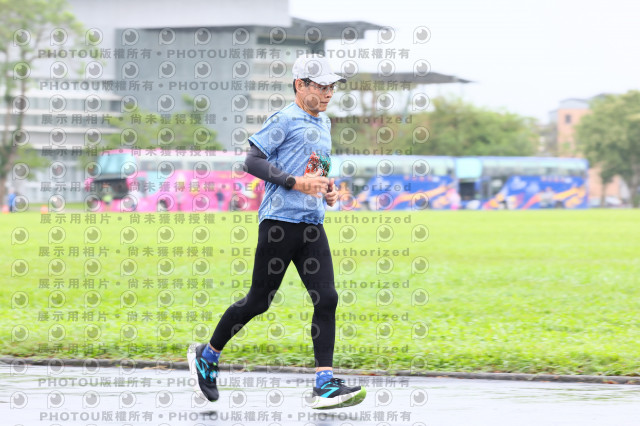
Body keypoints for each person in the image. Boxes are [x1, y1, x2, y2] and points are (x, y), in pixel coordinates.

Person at [188, 53, 366, 409]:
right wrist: (294, 182)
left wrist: (325, 188)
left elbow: (315, 168)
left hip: (312, 224)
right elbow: (252, 161)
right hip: (279, 224)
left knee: (327, 298)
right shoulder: (284, 119)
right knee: (259, 301)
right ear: (300, 85)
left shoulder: (324, 122)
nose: (329, 93)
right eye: (322, 86)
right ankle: (207, 356)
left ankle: (324, 384)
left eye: (332, 86)